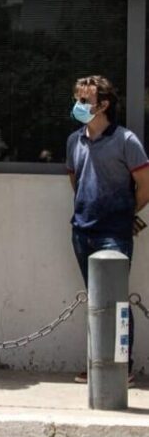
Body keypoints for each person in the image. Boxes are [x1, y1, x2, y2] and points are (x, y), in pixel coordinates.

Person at [65, 75, 149, 384]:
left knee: (116, 300)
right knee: (95, 301)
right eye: (77, 99)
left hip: (114, 233)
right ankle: (97, 364)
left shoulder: (125, 140)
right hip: (82, 230)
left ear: (104, 104)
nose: (79, 105)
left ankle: (122, 367)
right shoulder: (74, 140)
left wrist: (127, 214)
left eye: (85, 101)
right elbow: (74, 179)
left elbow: (145, 185)